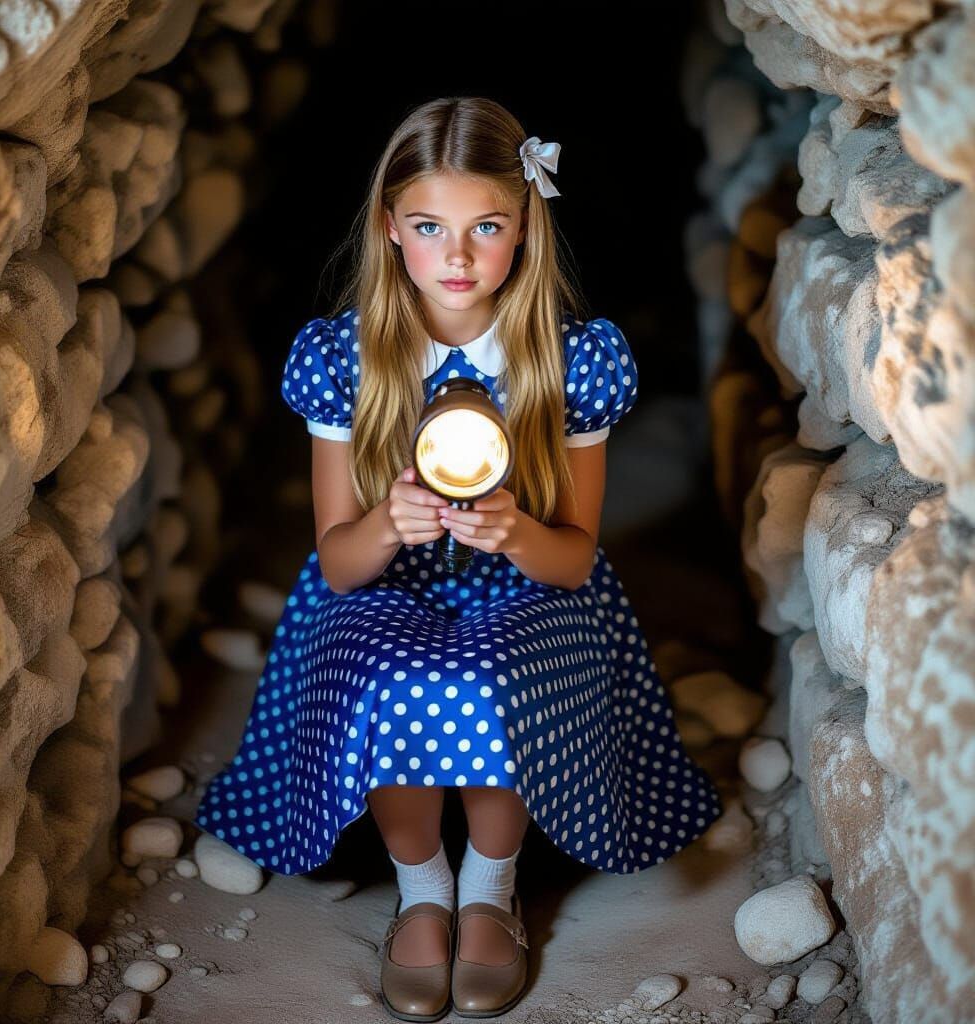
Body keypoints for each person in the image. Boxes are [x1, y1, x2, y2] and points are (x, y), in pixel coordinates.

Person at [194, 95, 724, 1022]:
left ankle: (490, 886)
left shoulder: (567, 361)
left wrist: (516, 531)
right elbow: (340, 565)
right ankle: (423, 888)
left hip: (527, 583)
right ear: (391, 229)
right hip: (381, 584)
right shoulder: (345, 359)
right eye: (432, 227)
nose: (461, 255)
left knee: (486, 674)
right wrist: (391, 521)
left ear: (524, 229)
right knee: (398, 673)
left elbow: (572, 561)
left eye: (488, 226)